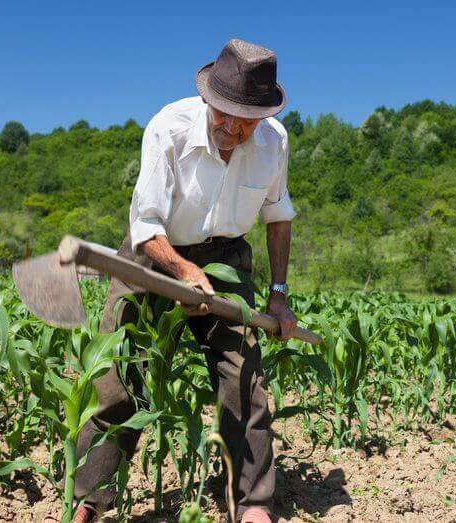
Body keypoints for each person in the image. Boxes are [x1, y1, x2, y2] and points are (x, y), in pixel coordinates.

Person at [68, 39, 297, 523]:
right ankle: (88, 498)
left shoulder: (274, 141)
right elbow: (145, 225)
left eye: (245, 120)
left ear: (262, 114)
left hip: (228, 258)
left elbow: (278, 216)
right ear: (208, 99)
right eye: (224, 115)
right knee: (119, 379)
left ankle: (253, 501)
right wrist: (183, 271)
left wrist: (278, 294)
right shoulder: (168, 128)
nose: (233, 129)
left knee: (243, 376)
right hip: (155, 254)